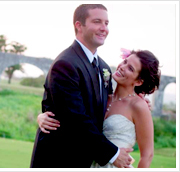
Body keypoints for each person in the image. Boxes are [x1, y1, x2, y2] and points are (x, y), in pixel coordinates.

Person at [30, 4, 148, 168]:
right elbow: (74, 118)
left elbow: (107, 106)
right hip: (61, 158)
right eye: (97, 22)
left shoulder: (104, 68)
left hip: (88, 160)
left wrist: (135, 102)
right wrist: (112, 154)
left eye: (106, 23)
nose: (104, 28)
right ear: (79, 25)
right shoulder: (66, 64)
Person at [37, 49, 160, 168]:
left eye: (130, 68)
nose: (122, 67)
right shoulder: (103, 97)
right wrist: (42, 117)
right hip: (85, 163)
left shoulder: (138, 106)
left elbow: (147, 155)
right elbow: (75, 116)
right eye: (125, 62)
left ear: (139, 82)